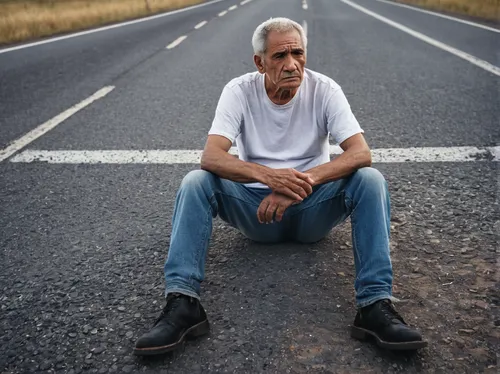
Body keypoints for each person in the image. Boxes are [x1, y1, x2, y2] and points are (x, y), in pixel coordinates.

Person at [134, 17, 427, 356]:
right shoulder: (239, 91)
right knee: (196, 182)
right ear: (259, 63)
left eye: (298, 53)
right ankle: (183, 303)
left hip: (312, 210)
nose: (292, 64)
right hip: (257, 212)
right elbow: (211, 157)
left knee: (369, 180)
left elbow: (361, 153)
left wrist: (302, 183)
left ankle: (375, 306)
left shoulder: (325, 89)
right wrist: (269, 177)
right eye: (279, 56)